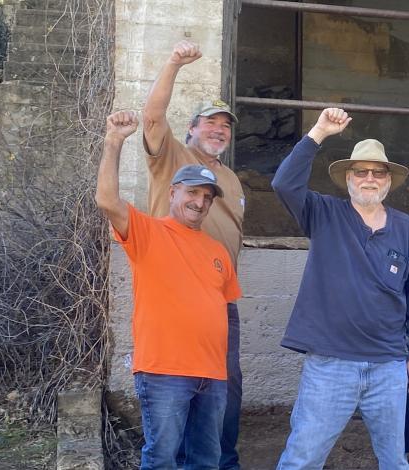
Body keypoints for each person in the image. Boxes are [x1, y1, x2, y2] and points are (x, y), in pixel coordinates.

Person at [270, 108, 409, 469]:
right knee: (303, 458)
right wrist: (318, 133)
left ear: (388, 180)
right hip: (331, 363)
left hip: (389, 365)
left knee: (395, 461)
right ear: (349, 179)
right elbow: (284, 184)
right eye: (361, 172)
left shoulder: (405, 228)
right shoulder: (323, 213)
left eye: (378, 172)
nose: (369, 178)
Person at [95, 110, 241, 469]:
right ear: (173, 192)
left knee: (206, 460)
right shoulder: (148, 232)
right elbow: (108, 201)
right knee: (162, 458)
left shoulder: (217, 251)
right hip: (165, 372)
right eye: (192, 193)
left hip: (212, 375)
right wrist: (114, 141)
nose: (199, 202)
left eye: (207, 197)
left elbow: (219, 310)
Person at [140, 40, 247, 467]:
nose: (219, 130)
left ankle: (224, 461)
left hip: (221, 300)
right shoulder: (173, 158)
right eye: (209, 122)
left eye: (226, 125)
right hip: (173, 297)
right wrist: (173, 63)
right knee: (176, 391)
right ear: (191, 128)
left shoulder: (233, 180)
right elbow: (152, 117)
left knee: (226, 388)